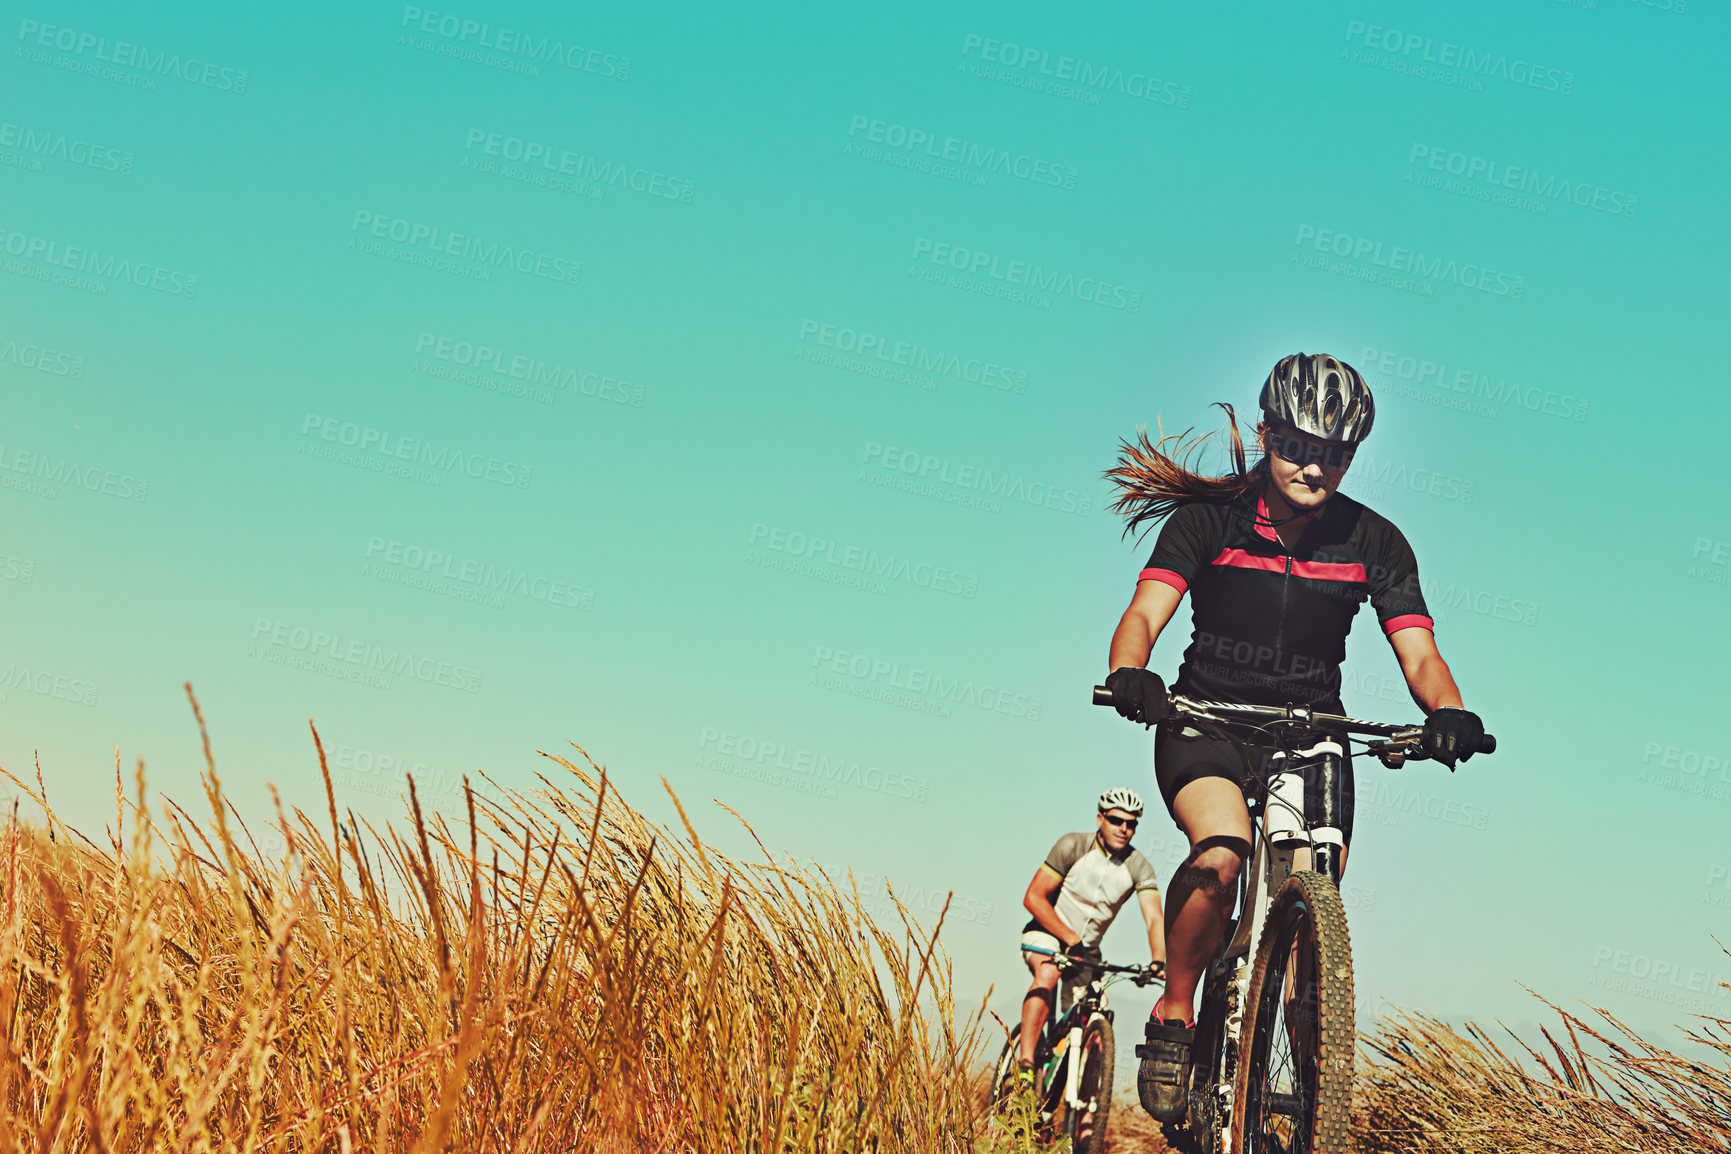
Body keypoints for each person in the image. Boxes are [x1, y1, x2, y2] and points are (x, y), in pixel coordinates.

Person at [1099, 352, 1486, 1121]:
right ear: (1269, 432)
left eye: (1334, 452)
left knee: (1316, 889)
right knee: (1220, 855)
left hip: (1311, 734)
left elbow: (1418, 651)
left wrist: (1448, 711)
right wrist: (1129, 672)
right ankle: (1175, 1013)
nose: (1314, 464)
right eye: (1297, 445)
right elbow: (1144, 613)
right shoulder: (1206, 522)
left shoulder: (1374, 542)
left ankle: (1312, 1080)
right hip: (1205, 719)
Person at [1017, 787, 1166, 1076]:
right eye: (1116, 820)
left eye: (1132, 823)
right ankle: (1024, 1065)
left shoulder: (1139, 866)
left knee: (1096, 1022)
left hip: (1087, 951)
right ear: (1100, 819)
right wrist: (1070, 939)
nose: (1124, 829)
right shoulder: (1072, 845)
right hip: (1047, 934)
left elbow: (1153, 918)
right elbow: (1033, 897)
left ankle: (1086, 1115)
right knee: (1047, 973)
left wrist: (1158, 959)